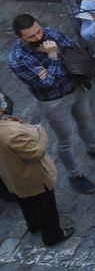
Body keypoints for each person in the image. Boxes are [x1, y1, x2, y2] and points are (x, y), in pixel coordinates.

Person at [7, 14, 95, 194]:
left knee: (86, 122)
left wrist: (51, 68)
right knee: (66, 139)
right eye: (31, 36)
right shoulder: (17, 59)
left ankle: (94, 149)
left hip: (75, 88)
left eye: (39, 31)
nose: (38, 37)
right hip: (54, 102)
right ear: (19, 38)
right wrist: (53, 56)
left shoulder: (51, 33)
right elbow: (49, 84)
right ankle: (75, 175)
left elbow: (74, 53)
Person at [0, 98, 70, 246]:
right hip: (31, 176)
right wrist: (41, 133)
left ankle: (34, 225)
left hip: (11, 175)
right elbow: (35, 153)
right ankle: (53, 235)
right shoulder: (9, 133)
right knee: (46, 205)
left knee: (25, 201)